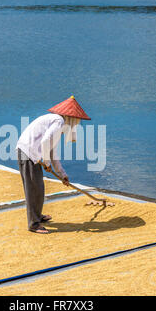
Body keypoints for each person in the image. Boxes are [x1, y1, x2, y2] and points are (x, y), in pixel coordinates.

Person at [16, 95, 91, 234]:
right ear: (70, 118)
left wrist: (63, 174)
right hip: (28, 153)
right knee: (33, 188)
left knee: (38, 187)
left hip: (32, 154)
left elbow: (52, 152)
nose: (76, 124)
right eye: (76, 121)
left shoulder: (57, 122)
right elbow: (45, 142)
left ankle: (37, 216)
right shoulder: (58, 121)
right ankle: (33, 224)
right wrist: (46, 162)